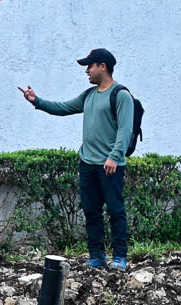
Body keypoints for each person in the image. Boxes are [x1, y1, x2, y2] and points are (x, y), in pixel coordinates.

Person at [20, 48, 135, 270]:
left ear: (103, 66)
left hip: (110, 165)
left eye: (90, 66)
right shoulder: (89, 95)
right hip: (88, 164)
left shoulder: (121, 95)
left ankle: (120, 256)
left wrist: (114, 157)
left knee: (115, 210)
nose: (87, 71)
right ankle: (96, 256)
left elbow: (125, 130)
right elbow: (62, 108)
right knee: (91, 212)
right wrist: (37, 100)